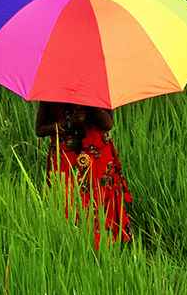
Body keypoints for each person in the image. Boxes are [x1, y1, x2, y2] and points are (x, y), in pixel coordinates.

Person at [36, 100, 132, 248]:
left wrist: (89, 104)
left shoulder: (98, 90)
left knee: (102, 200)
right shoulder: (52, 89)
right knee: (67, 201)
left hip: (98, 158)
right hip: (65, 157)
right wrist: (67, 123)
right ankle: (72, 246)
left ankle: (107, 246)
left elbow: (108, 124)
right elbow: (40, 129)